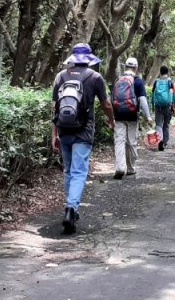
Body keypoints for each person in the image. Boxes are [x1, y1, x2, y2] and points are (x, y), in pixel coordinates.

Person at [51, 43, 114, 234]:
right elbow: (106, 104)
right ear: (89, 59)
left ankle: (69, 207)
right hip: (84, 132)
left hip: (64, 130)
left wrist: (54, 134)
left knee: (69, 170)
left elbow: (55, 108)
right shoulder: (95, 77)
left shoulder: (60, 76)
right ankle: (71, 208)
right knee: (79, 172)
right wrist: (111, 120)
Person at [111, 57, 152, 179]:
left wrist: (111, 116)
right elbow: (142, 100)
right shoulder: (137, 81)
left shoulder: (118, 80)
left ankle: (119, 167)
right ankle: (131, 168)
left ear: (125, 67)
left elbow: (112, 98)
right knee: (131, 142)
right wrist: (148, 116)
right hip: (132, 115)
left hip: (118, 115)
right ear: (136, 67)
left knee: (119, 141)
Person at [151, 65, 175, 151]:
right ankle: (164, 142)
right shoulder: (170, 82)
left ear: (160, 72)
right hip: (167, 106)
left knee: (158, 124)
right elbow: (174, 95)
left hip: (158, 106)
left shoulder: (156, 82)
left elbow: (152, 95)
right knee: (166, 125)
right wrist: (174, 106)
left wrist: (152, 105)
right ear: (167, 72)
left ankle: (160, 140)